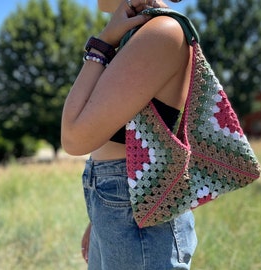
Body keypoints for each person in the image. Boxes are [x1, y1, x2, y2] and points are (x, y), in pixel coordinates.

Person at [61, 0, 197, 268]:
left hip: (133, 207)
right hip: (121, 204)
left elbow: (73, 137)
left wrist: (101, 43)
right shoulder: (142, 33)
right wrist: (102, 214)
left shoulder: (162, 31)